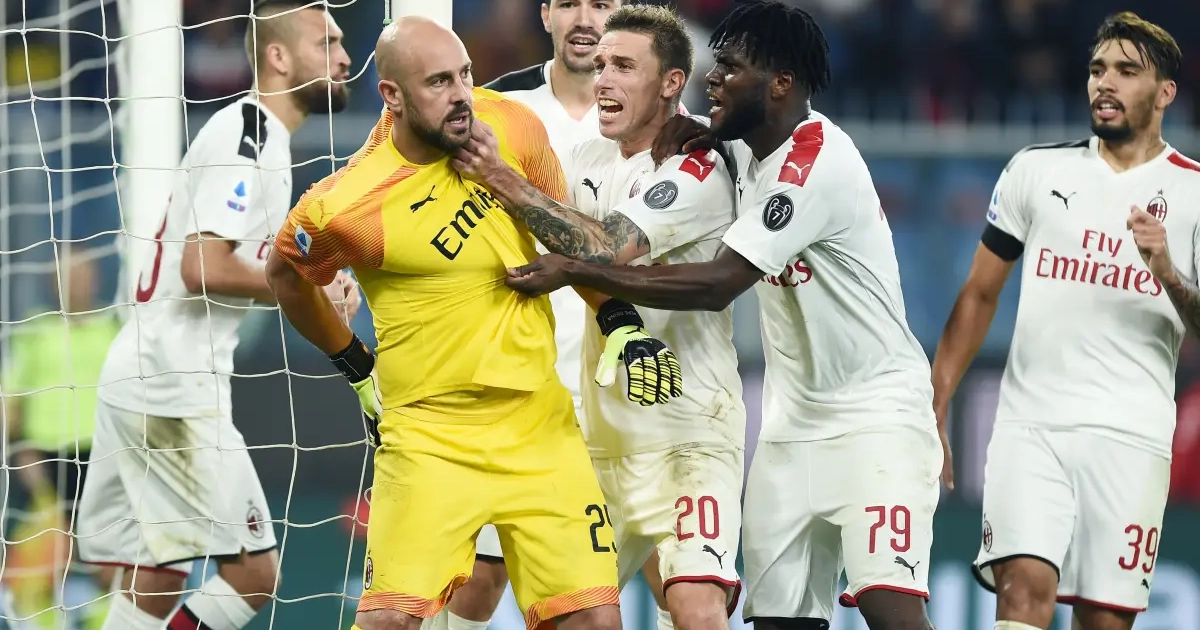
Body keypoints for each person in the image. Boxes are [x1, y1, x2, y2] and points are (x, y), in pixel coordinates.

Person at [493, 2, 943, 629]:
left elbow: (718, 283)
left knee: (888, 608)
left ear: (780, 83)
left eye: (729, 69)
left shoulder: (814, 163)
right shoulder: (740, 150)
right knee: (780, 620)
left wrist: (577, 270)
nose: (714, 78)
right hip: (790, 428)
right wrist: (692, 125)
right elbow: (690, 132)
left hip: (876, 418)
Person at [265, 15, 680, 630]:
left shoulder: (511, 124)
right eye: (439, 82)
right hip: (429, 440)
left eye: (464, 75)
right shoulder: (346, 206)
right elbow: (286, 275)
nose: (462, 95)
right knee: (390, 622)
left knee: (595, 621)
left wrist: (618, 317)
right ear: (392, 95)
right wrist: (353, 361)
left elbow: (565, 238)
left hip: (540, 427)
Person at [453, 5, 744, 630]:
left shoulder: (696, 163)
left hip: (688, 436)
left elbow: (602, 248)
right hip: (598, 440)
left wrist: (500, 176)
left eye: (624, 67)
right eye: (603, 65)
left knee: (695, 606)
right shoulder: (586, 157)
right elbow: (566, 247)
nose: (603, 78)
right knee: (578, 619)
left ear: (671, 83)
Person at [74, 3, 356, 630]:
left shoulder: (260, 139)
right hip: (174, 384)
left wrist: (315, 277)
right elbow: (203, 268)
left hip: (148, 369)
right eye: (326, 44)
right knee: (255, 575)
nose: (344, 58)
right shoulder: (248, 137)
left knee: (159, 575)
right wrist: (308, 286)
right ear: (277, 57)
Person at [931, 12, 1192, 630]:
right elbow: (979, 293)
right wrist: (935, 399)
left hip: (1132, 437)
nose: (1106, 82)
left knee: (1104, 620)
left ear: (1164, 93)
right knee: (1022, 595)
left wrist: (1168, 273)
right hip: (1032, 426)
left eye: (1127, 71)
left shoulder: (1194, 194)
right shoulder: (1036, 170)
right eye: (1098, 69)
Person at [441, 3, 618, 626]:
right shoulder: (495, 108)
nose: (584, 18)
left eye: (601, 4)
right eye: (568, 3)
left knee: (671, 581)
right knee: (478, 583)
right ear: (545, 14)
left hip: (626, 391)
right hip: (526, 386)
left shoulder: (656, 118)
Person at [3, 255, 120, 630]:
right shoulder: (34, 331)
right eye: (65, 276)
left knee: (108, 558)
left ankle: (105, 622)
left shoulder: (112, 327)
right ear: (52, 283)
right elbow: (11, 400)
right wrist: (19, 452)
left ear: (95, 279)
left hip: (102, 456)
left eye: (81, 274)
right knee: (46, 555)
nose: (74, 283)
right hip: (45, 459)